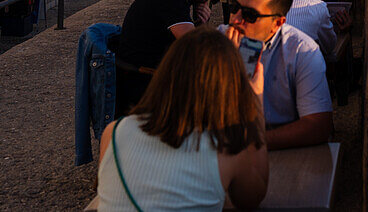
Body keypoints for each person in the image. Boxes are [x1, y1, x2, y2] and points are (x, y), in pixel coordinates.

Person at [97, 29, 268, 211]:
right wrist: (256, 104)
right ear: (227, 85)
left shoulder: (113, 132)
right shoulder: (228, 148)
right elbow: (252, 198)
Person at [222, 0, 332, 149]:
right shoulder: (220, 42)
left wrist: (254, 142)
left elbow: (318, 125)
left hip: (281, 149)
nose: (235, 19)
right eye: (234, 7)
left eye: (250, 15)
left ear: (277, 23)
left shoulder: (301, 51)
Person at [114, 0, 228, 116]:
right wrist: (204, 26)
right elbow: (196, 48)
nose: (209, 1)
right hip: (140, 84)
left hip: (139, 74)